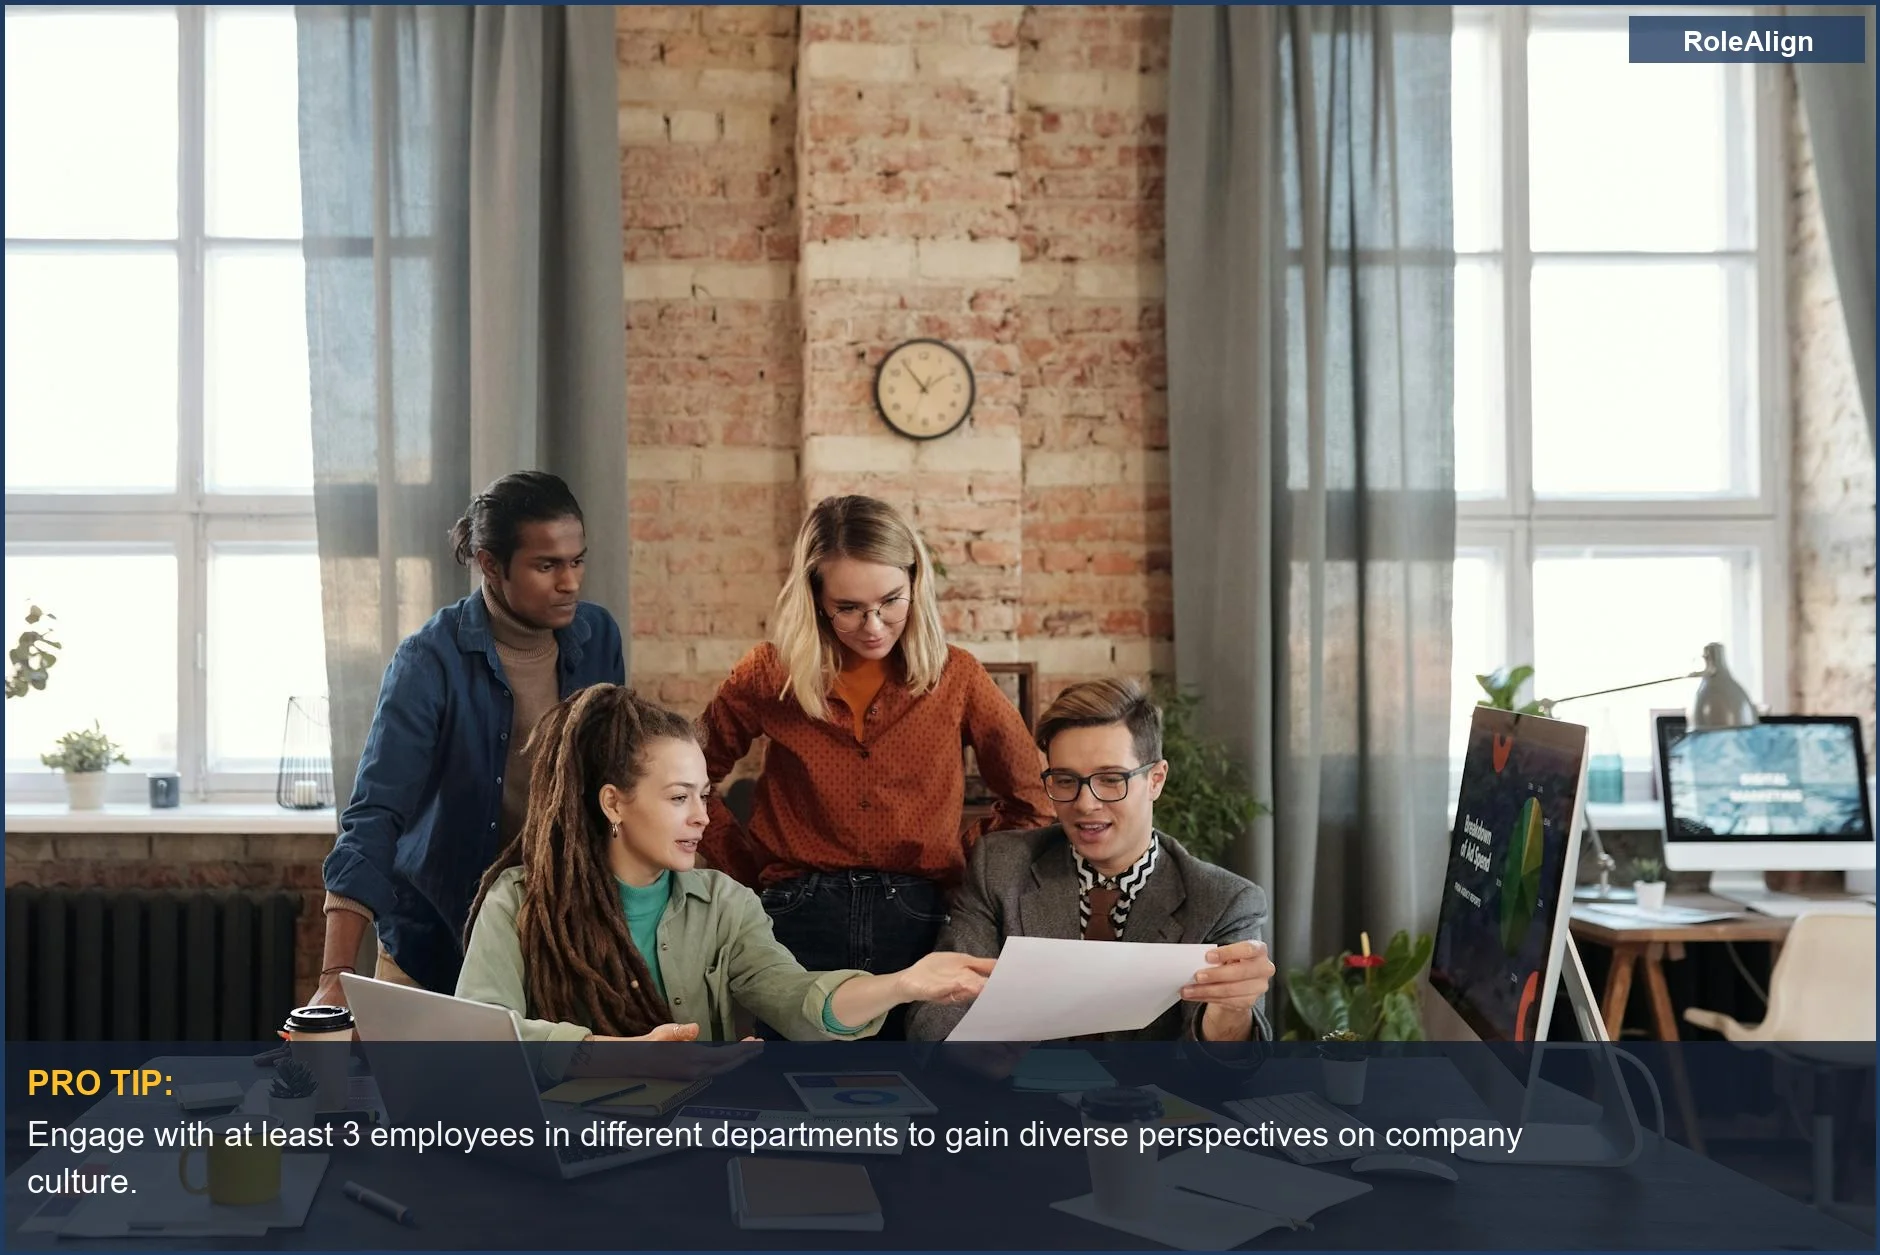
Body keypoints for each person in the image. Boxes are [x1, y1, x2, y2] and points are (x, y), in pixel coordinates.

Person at [456, 684, 994, 1066]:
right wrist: (625, 1058)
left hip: (695, 1142)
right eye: (678, 798)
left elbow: (797, 999)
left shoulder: (725, 904)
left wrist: (902, 984)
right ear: (613, 803)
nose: (702, 816)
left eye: (704, 795)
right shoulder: (519, 902)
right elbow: (479, 1037)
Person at [696, 495, 1053, 1038]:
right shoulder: (770, 675)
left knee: (916, 1094)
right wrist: (747, 869)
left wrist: (962, 858)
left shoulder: (957, 677)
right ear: (815, 597)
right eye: (848, 607)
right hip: (794, 917)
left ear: (916, 582)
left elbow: (1033, 800)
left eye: (891, 600)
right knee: (795, 1101)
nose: (873, 625)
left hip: (919, 919)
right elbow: (687, 779)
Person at [312, 471, 624, 1007]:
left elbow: (614, 783)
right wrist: (336, 972)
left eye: (577, 561)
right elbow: (376, 814)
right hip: (437, 948)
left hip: (561, 950)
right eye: (546, 565)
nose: (570, 582)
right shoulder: (428, 660)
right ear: (490, 564)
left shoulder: (598, 638)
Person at [907, 677, 1275, 1046]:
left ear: (1156, 780)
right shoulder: (1001, 867)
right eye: (1066, 781)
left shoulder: (1223, 900)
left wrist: (1232, 1009)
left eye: (1111, 779)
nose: (1085, 804)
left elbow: (1228, 1066)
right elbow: (934, 1013)